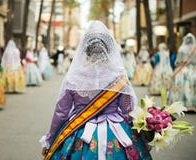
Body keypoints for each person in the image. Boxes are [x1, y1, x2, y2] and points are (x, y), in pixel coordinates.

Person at [40, 21, 152, 160]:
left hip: (79, 131)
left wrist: (50, 141)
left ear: (84, 49)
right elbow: (129, 112)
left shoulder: (74, 77)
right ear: (110, 49)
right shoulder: (118, 76)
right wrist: (144, 137)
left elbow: (61, 113)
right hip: (117, 133)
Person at [168, 33, 196, 112]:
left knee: (180, 86)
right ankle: (192, 105)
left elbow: (177, 62)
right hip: (193, 70)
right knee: (192, 87)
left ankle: (181, 104)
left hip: (183, 70)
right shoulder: (195, 49)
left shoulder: (182, 49)